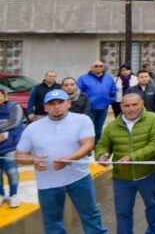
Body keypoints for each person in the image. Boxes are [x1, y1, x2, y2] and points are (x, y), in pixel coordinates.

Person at [16, 89, 107, 233]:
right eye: (51, 104)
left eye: (60, 102)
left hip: (79, 178)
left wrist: (69, 159)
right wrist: (33, 160)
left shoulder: (82, 120)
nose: (56, 106)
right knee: (53, 223)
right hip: (48, 184)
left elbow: (88, 144)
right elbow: (20, 154)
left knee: (91, 216)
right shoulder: (32, 128)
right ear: (45, 107)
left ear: (69, 104)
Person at [95, 93, 155, 234]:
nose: (131, 108)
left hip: (148, 174)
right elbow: (102, 146)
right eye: (126, 105)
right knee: (122, 212)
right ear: (121, 106)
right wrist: (102, 155)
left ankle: (153, 231)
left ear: (142, 104)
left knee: (152, 206)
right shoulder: (112, 126)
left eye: (135, 104)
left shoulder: (154, 120)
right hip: (122, 178)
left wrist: (131, 157)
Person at [77, 61, 117, 144]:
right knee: (89, 127)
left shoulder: (108, 78)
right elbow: (78, 92)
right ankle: (87, 144)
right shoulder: (83, 78)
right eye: (96, 66)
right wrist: (85, 103)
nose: (98, 68)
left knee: (99, 127)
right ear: (91, 67)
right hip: (90, 108)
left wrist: (110, 100)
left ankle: (97, 144)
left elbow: (113, 90)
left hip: (103, 107)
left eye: (100, 66)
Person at [0, 89, 23, 208]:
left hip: (10, 145)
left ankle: (14, 195)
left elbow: (14, 123)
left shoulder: (14, 107)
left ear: (4, 95)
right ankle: (1, 195)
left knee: (11, 171)